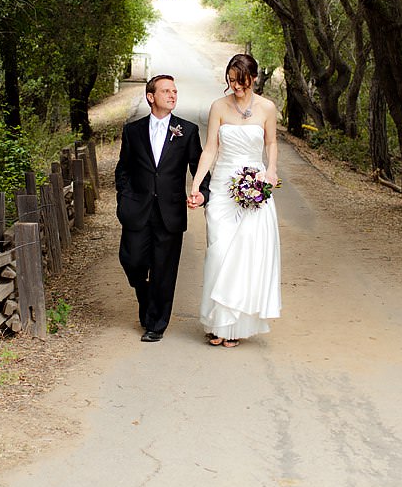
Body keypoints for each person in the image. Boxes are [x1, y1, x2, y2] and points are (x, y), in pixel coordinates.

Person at [187, 53, 282, 348]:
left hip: (254, 185)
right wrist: (196, 183)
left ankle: (234, 327)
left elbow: (271, 143)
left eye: (240, 82)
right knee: (219, 252)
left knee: (245, 256)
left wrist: (271, 170)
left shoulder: (267, 107)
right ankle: (216, 322)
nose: (235, 88)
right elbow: (211, 149)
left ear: (252, 79)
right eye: (230, 81)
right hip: (223, 186)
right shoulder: (219, 106)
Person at [115, 74, 208, 342]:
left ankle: (156, 324)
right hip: (137, 210)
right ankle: (145, 298)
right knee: (132, 261)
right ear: (150, 97)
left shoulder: (187, 131)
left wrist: (201, 192)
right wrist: (125, 198)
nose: (172, 95)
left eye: (175, 91)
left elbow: (198, 167)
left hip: (170, 213)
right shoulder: (132, 131)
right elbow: (124, 169)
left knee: (164, 271)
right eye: (166, 91)